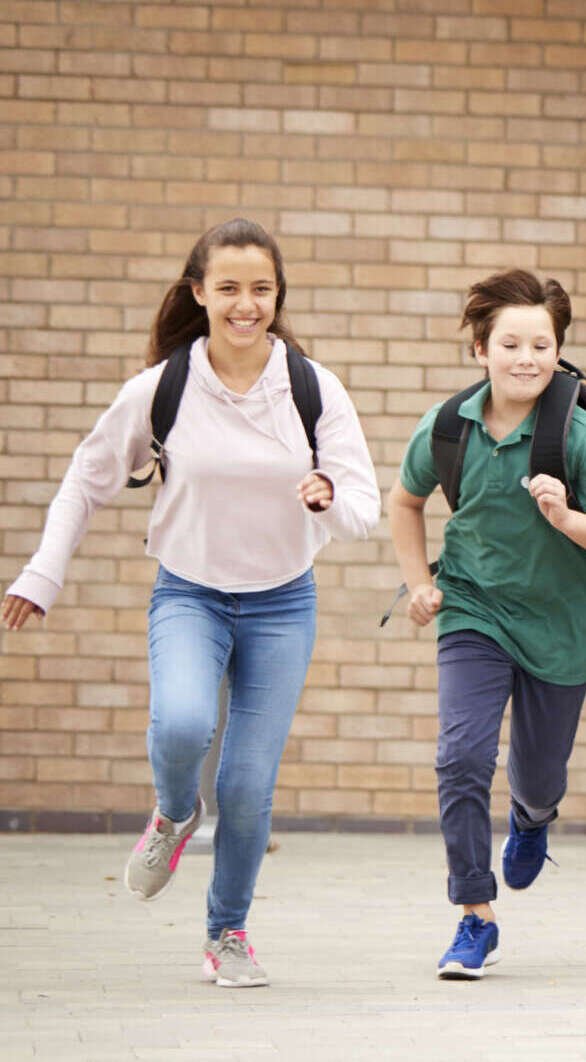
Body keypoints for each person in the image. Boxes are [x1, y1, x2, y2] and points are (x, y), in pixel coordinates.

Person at [3, 218, 379, 989]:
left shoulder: (311, 387)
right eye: (231, 288)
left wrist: (327, 494)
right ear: (200, 293)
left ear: (279, 296)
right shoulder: (163, 389)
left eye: (262, 289)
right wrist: (43, 572)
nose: (247, 304)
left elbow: (364, 509)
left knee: (246, 783)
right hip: (190, 593)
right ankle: (174, 815)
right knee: (181, 725)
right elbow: (86, 478)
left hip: (282, 603)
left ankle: (227, 932)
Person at [388, 269, 586, 981]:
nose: (526, 357)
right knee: (461, 757)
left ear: (558, 351)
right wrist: (420, 584)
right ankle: (474, 914)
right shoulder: (447, 427)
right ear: (480, 350)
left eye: (541, 344)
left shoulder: (580, 435)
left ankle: (533, 821)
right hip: (473, 610)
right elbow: (403, 503)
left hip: (561, 625)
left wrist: (566, 517)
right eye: (510, 343)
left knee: (537, 777)